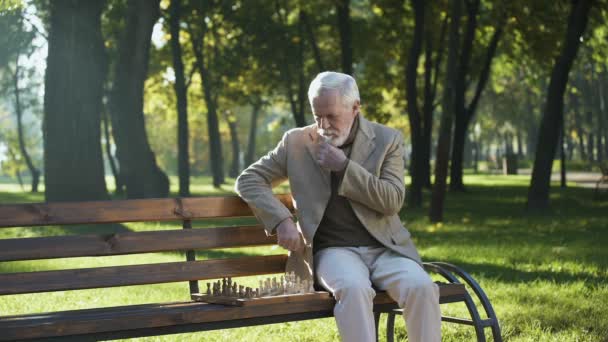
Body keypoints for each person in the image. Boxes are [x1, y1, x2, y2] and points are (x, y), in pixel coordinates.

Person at [235, 71, 440, 342]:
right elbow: (249, 179)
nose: (323, 125)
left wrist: (344, 167)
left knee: (421, 287)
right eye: (317, 115)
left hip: (385, 248)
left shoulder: (387, 139)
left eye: (331, 116)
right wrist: (282, 220)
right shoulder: (296, 142)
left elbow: (391, 201)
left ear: (355, 108)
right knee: (354, 289)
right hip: (332, 251)